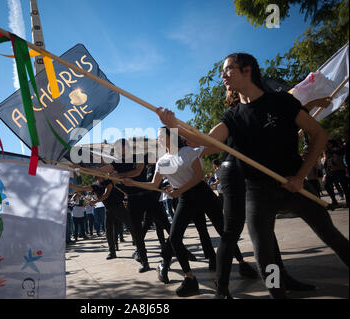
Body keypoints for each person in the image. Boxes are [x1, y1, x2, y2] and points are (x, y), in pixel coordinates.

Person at [157, 52, 349, 299]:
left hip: (294, 184)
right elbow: (206, 142)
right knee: (265, 257)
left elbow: (319, 135)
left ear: (247, 70)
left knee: (332, 237)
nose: (223, 75)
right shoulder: (232, 117)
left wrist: (301, 176)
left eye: (228, 69)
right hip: (257, 193)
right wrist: (173, 125)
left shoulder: (281, 102)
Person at [124, 127, 257, 297]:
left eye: (160, 136)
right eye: (157, 138)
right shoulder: (162, 162)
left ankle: (241, 263)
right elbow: (153, 184)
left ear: (170, 137)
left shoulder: (188, 152)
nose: (158, 140)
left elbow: (198, 175)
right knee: (174, 238)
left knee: (223, 229)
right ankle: (190, 278)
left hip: (202, 193)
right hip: (186, 199)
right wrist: (133, 183)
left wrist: (178, 191)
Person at [70, 177, 136, 260]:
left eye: (98, 176)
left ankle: (138, 246)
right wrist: (71, 185)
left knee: (130, 226)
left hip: (119, 207)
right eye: (96, 177)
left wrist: (96, 201)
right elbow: (82, 188)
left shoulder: (109, 182)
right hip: (108, 209)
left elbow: (106, 194)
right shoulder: (95, 186)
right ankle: (112, 252)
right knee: (108, 230)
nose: (97, 178)